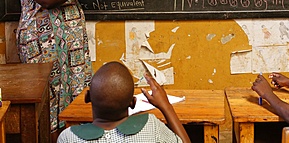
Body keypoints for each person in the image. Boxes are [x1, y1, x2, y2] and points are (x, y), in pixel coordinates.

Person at [15, 0, 142, 141]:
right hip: (43, 49)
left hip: (73, 50)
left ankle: (73, 138)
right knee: (49, 97)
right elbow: (46, 0)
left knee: (75, 93)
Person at [57, 61, 191, 143]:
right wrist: (166, 106)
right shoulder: (152, 126)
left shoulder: (68, 138)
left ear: (87, 97)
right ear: (133, 103)